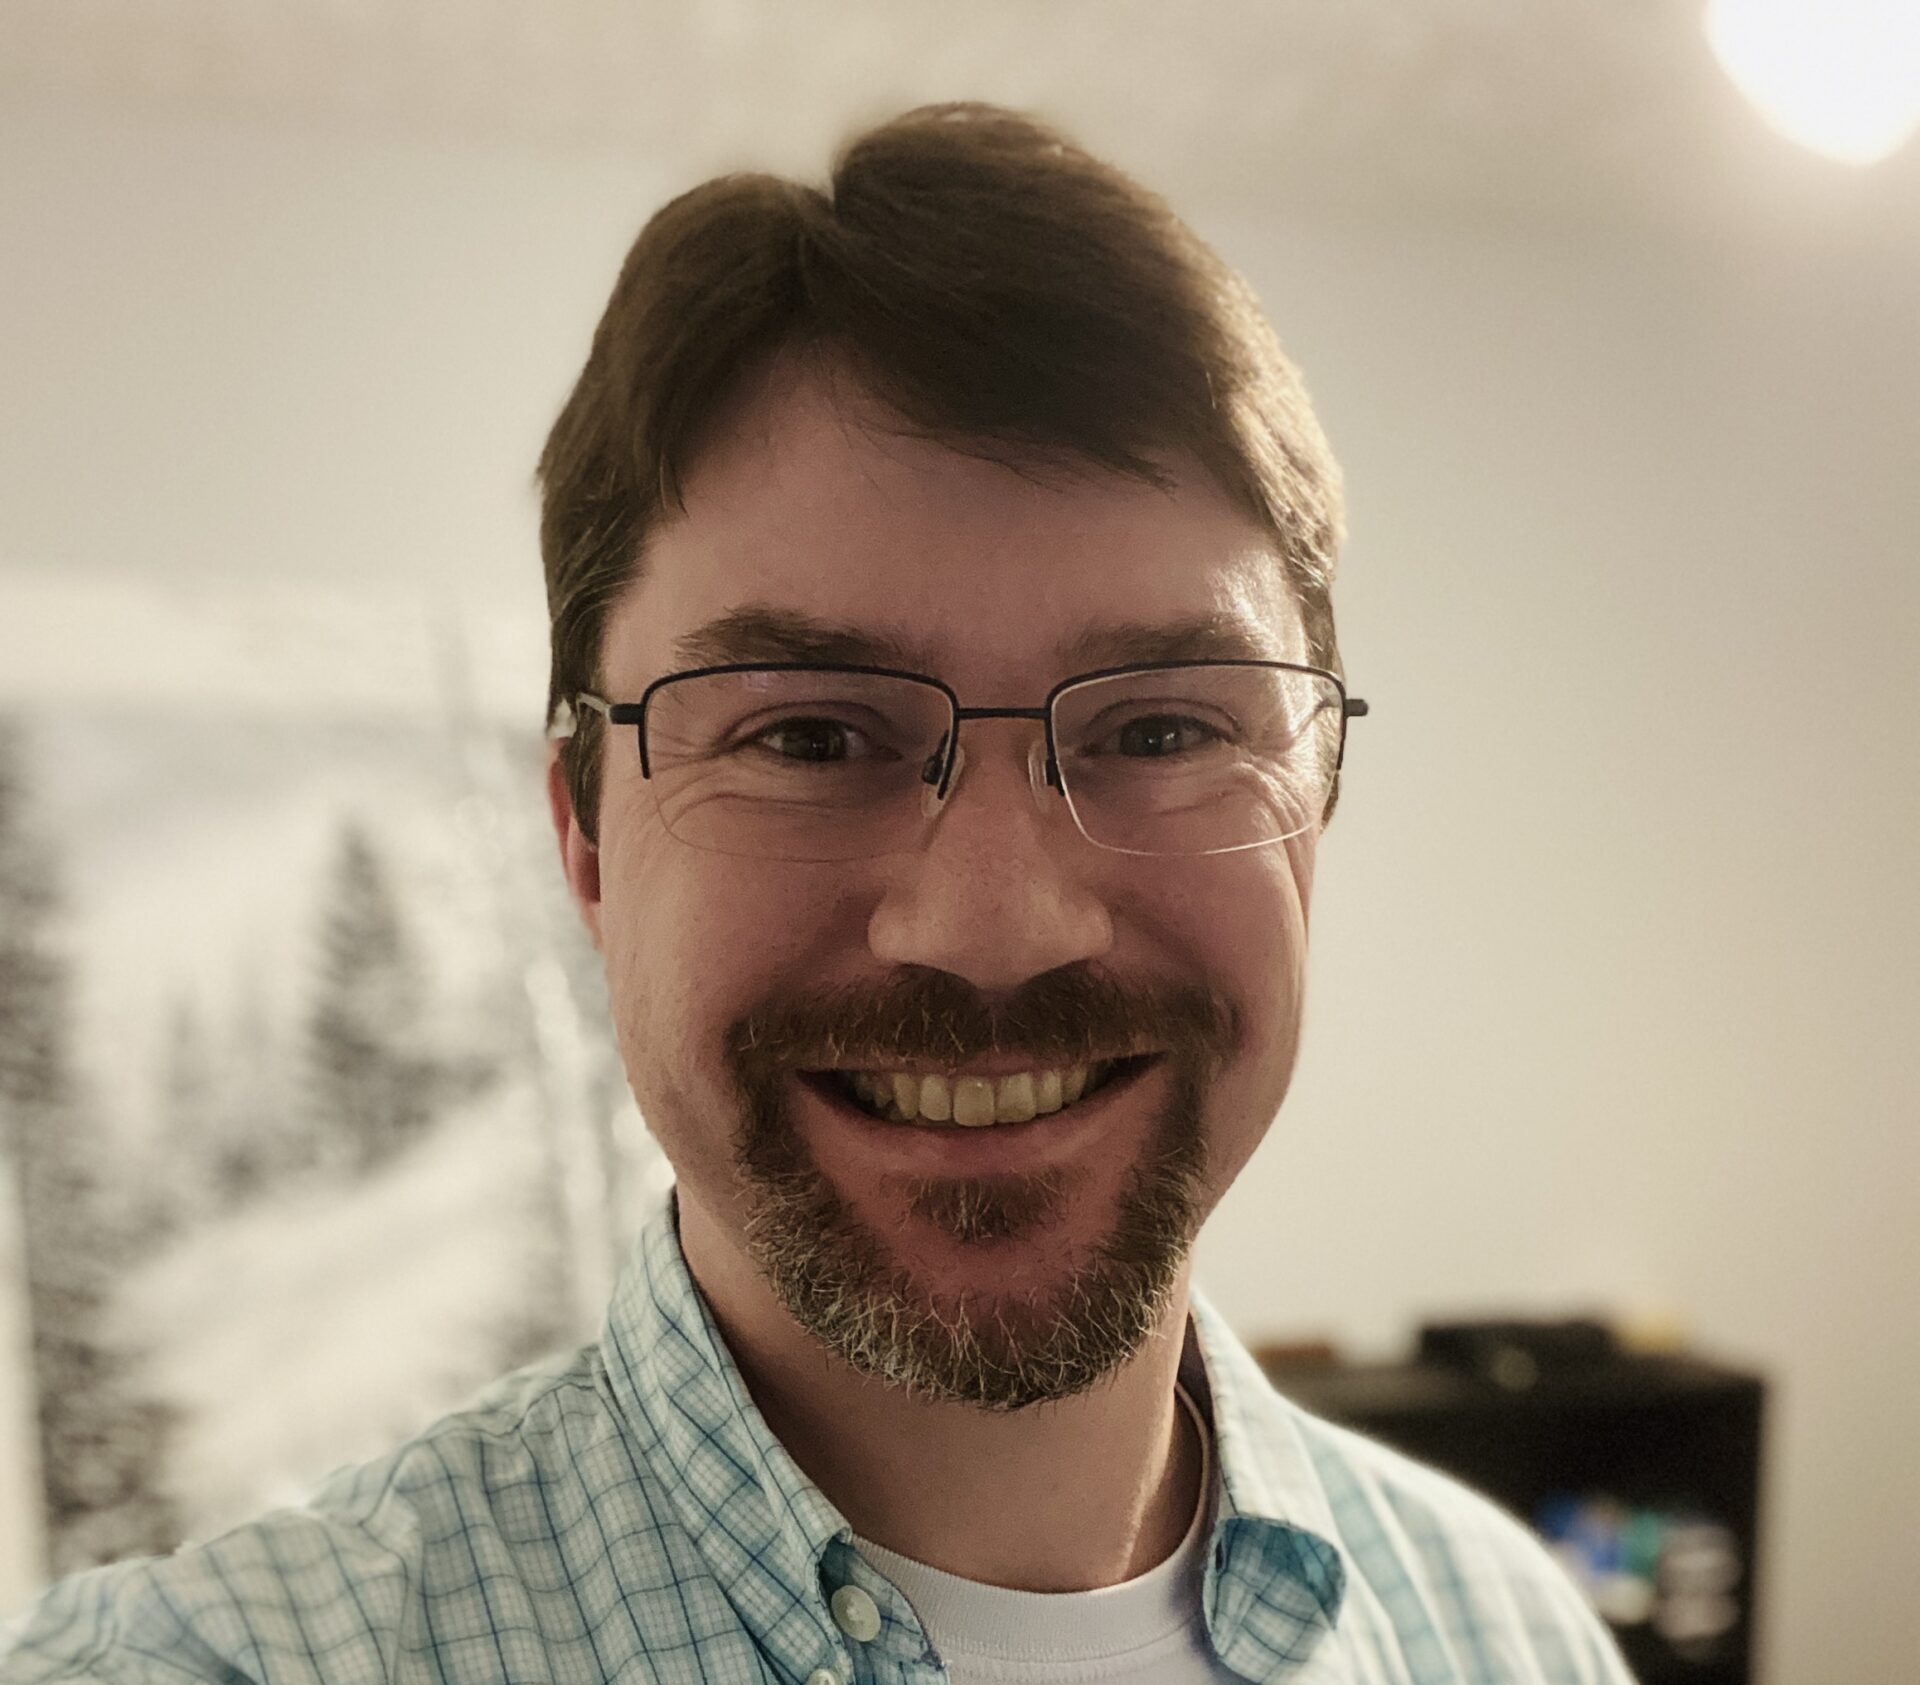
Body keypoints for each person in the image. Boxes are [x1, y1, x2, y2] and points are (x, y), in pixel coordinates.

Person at [2, 104, 1636, 1685]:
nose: (998, 920)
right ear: (583, 829)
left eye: (1159, 727)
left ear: (1316, 796)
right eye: (806, 732)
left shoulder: (1506, 1634)